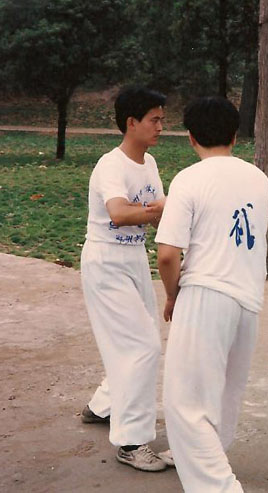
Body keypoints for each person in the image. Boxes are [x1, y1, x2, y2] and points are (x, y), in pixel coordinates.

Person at [156, 96, 268, 491]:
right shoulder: (259, 177)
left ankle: (219, 485)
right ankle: (207, 455)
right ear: (235, 137)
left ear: (190, 137)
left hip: (206, 291)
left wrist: (173, 296)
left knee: (185, 403)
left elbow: (168, 254)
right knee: (225, 393)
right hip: (249, 297)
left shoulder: (189, 179)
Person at [80, 86, 169, 471]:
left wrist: (159, 210)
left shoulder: (148, 164)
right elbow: (118, 213)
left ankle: (103, 406)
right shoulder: (110, 165)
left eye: (162, 120)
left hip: (133, 257)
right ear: (131, 123)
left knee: (138, 337)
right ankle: (131, 442)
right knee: (143, 346)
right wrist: (159, 209)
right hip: (106, 259)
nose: (161, 127)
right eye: (155, 120)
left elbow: (160, 212)